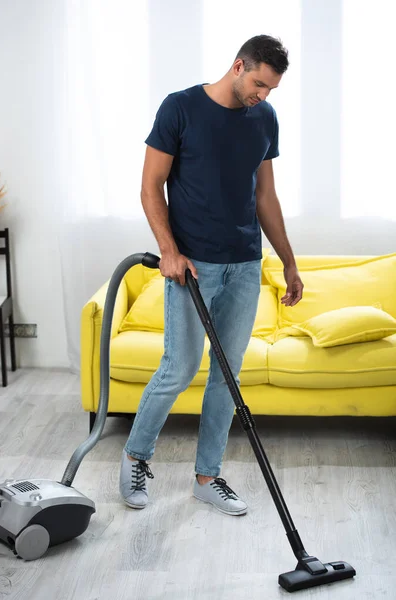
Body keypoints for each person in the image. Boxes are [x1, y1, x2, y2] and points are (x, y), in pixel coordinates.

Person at [119, 34, 304, 515]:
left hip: (245, 264)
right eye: (260, 84)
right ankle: (136, 458)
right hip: (192, 267)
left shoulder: (264, 118)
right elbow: (149, 186)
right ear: (239, 65)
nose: (262, 95)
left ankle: (208, 476)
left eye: (271, 89)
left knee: (228, 374)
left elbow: (265, 197)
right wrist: (169, 251)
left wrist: (288, 260)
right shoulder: (180, 108)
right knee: (178, 368)